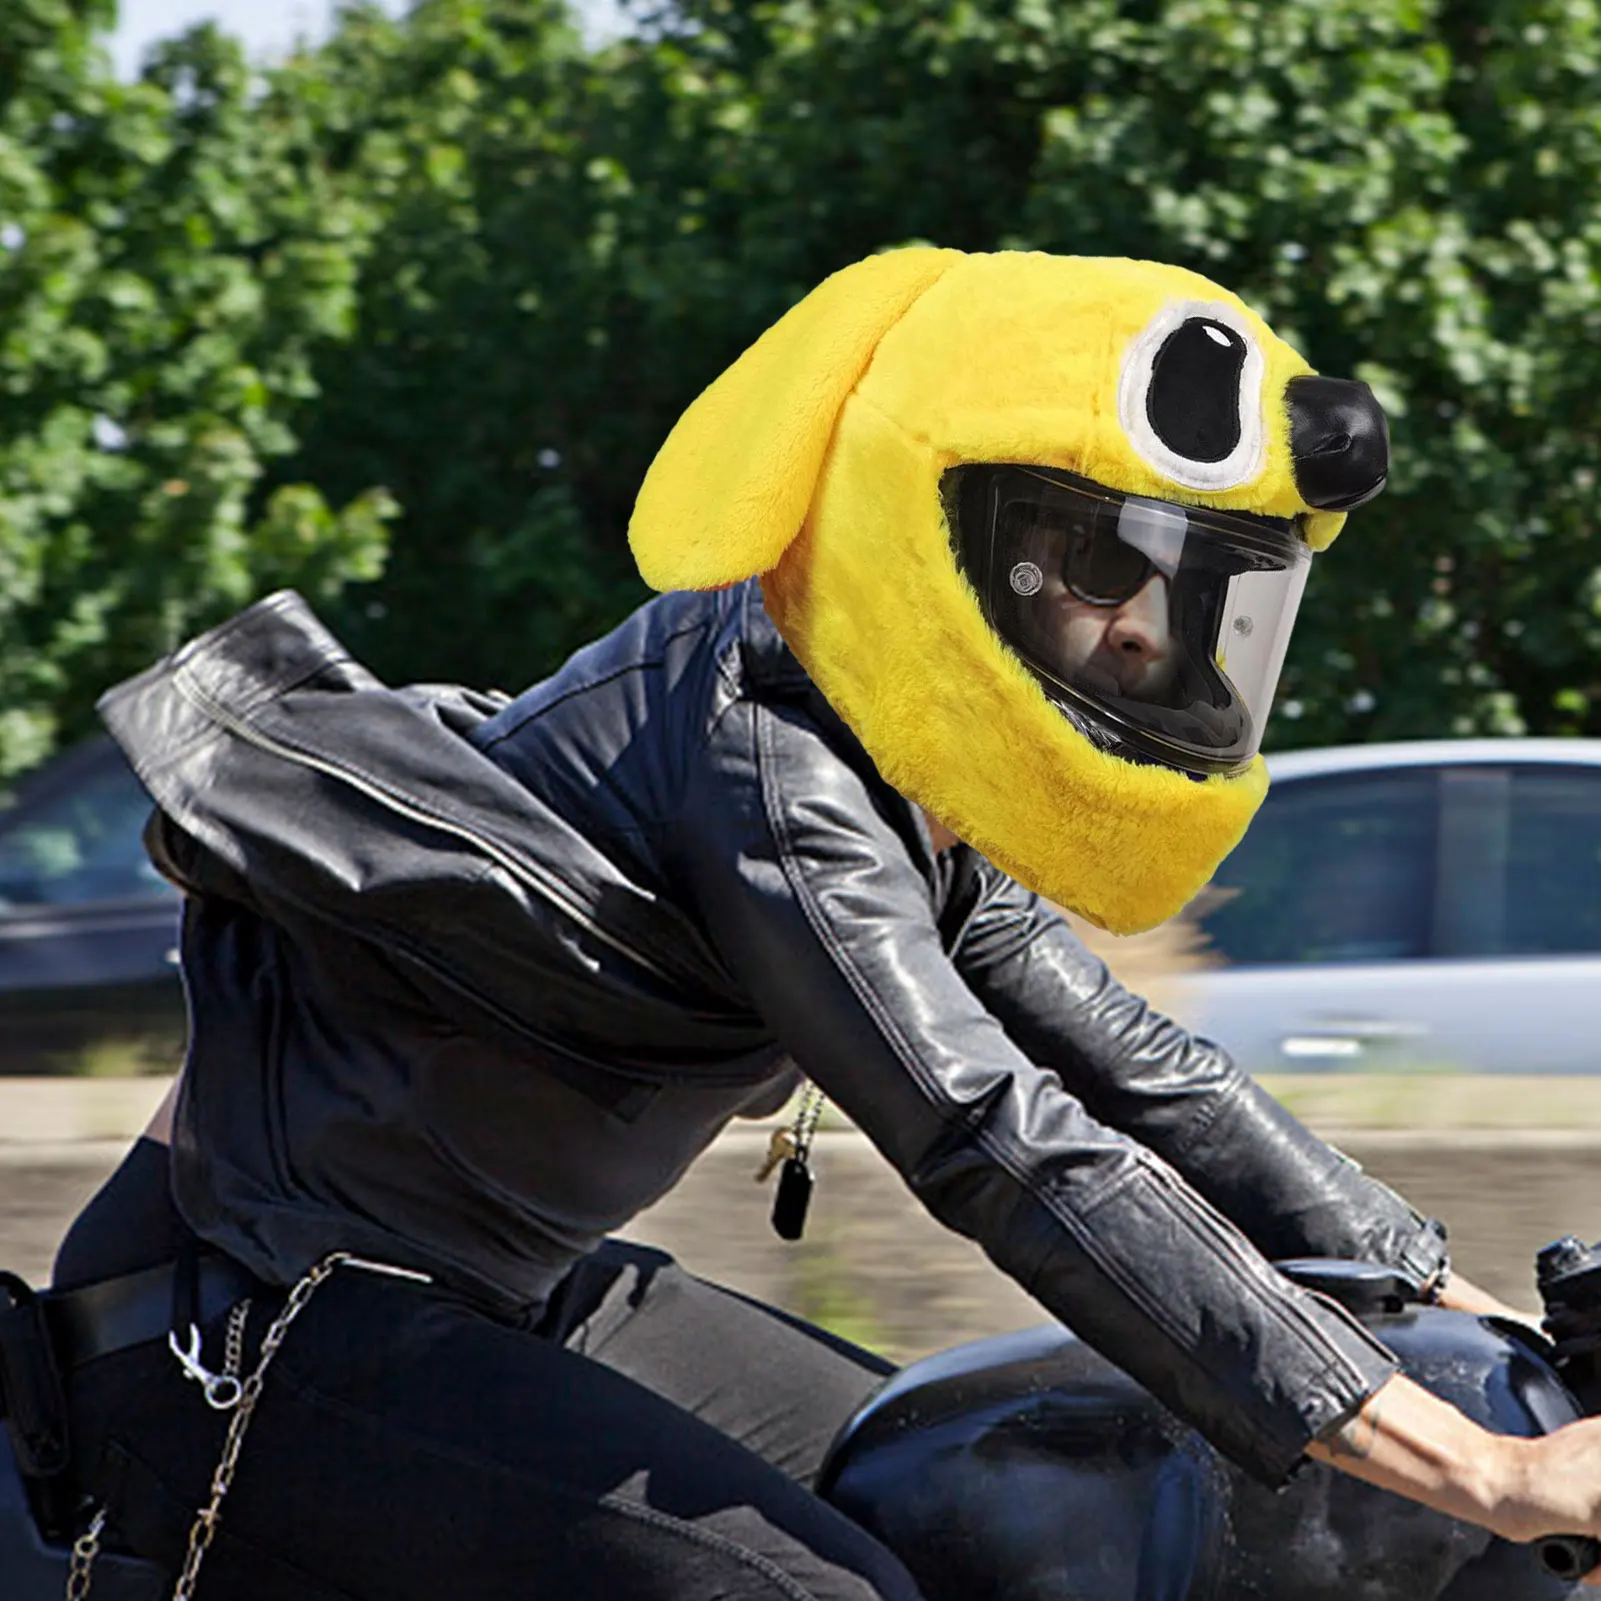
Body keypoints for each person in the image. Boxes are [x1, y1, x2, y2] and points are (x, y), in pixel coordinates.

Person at [34, 247, 1601, 1600]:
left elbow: (1144, 1077)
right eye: (1107, 567)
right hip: (257, 1318)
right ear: (970, 538)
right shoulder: (765, 754)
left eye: (1190, 593)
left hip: (521, 1286)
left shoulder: (896, 764)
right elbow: (997, 1139)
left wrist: (1474, 1316)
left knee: (955, 1484)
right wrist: (1472, 1469)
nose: (1144, 631)